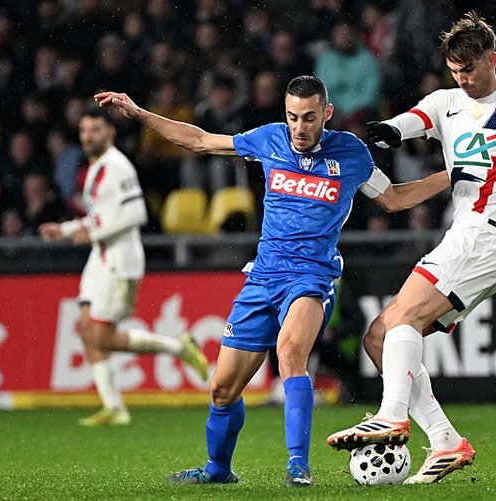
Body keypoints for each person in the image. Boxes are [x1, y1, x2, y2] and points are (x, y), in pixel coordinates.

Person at [94, 75, 450, 488]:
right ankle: (218, 469)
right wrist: (139, 113)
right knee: (222, 390)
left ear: (327, 114)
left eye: (309, 117)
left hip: (312, 277)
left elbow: (394, 198)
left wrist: (454, 174)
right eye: (293, 117)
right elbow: (201, 141)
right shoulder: (270, 139)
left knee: (289, 354)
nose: (299, 127)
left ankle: (298, 466)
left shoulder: (351, 153)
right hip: (263, 277)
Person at [326, 11, 496, 485]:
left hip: (489, 236)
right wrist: (388, 130)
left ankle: (391, 415)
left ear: (493, 60)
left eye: (469, 69)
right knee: (380, 337)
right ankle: (445, 441)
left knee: (403, 320)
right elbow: (409, 122)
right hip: (463, 235)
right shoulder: (445, 102)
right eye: (454, 70)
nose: (462, 78)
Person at [39, 107, 209, 426]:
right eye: (84, 130)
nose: (88, 136)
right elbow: (99, 216)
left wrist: (91, 234)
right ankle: (113, 407)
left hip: (120, 262)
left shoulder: (118, 167)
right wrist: (64, 230)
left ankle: (178, 348)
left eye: (95, 130)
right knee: (87, 330)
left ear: (110, 133)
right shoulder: (95, 168)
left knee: (101, 337)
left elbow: (135, 215)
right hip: (100, 258)